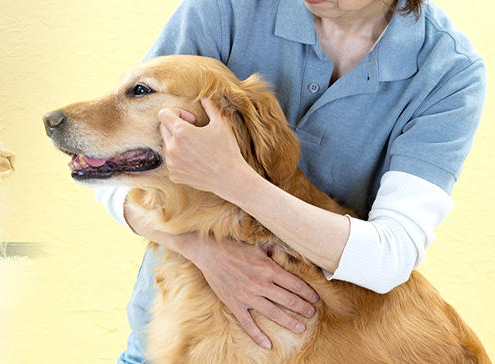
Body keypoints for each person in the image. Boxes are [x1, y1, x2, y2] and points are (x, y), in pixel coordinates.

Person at [96, 0, 486, 363]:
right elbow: (108, 167)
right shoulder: (224, 9)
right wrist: (204, 250)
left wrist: (233, 179)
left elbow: (391, 256)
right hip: (169, 331)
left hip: (312, 344)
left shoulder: (449, 71)